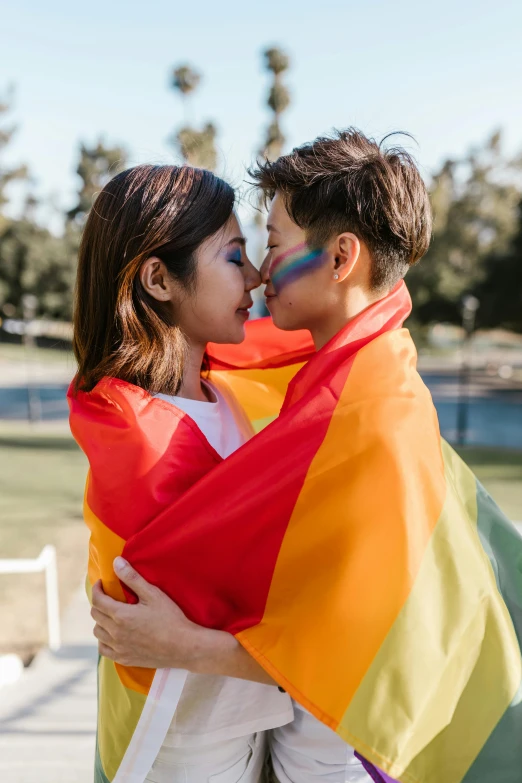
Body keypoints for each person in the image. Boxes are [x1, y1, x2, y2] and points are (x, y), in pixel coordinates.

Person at [90, 130, 522, 783]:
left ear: (341, 257)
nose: (261, 273)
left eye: (271, 244)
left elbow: (368, 643)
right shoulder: (337, 384)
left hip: (344, 752)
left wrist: (183, 644)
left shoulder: (373, 411)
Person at [69, 163, 295, 783]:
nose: (254, 277)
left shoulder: (233, 398)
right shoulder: (136, 436)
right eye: (233, 255)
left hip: (260, 722)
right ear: (159, 278)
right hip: (180, 741)